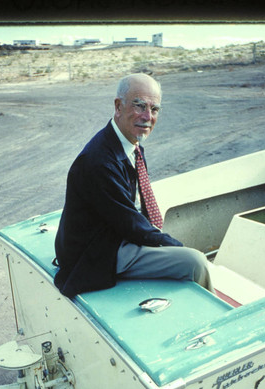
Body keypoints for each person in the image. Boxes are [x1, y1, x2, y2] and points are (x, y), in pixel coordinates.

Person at [54, 73, 214, 298]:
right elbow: (131, 225)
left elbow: (132, 214)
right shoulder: (99, 161)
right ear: (118, 106)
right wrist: (178, 246)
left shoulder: (129, 144)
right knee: (195, 262)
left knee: (172, 245)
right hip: (98, 253)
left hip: (112, 234)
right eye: (139, 106)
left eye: (155, 109)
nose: (148, 116)